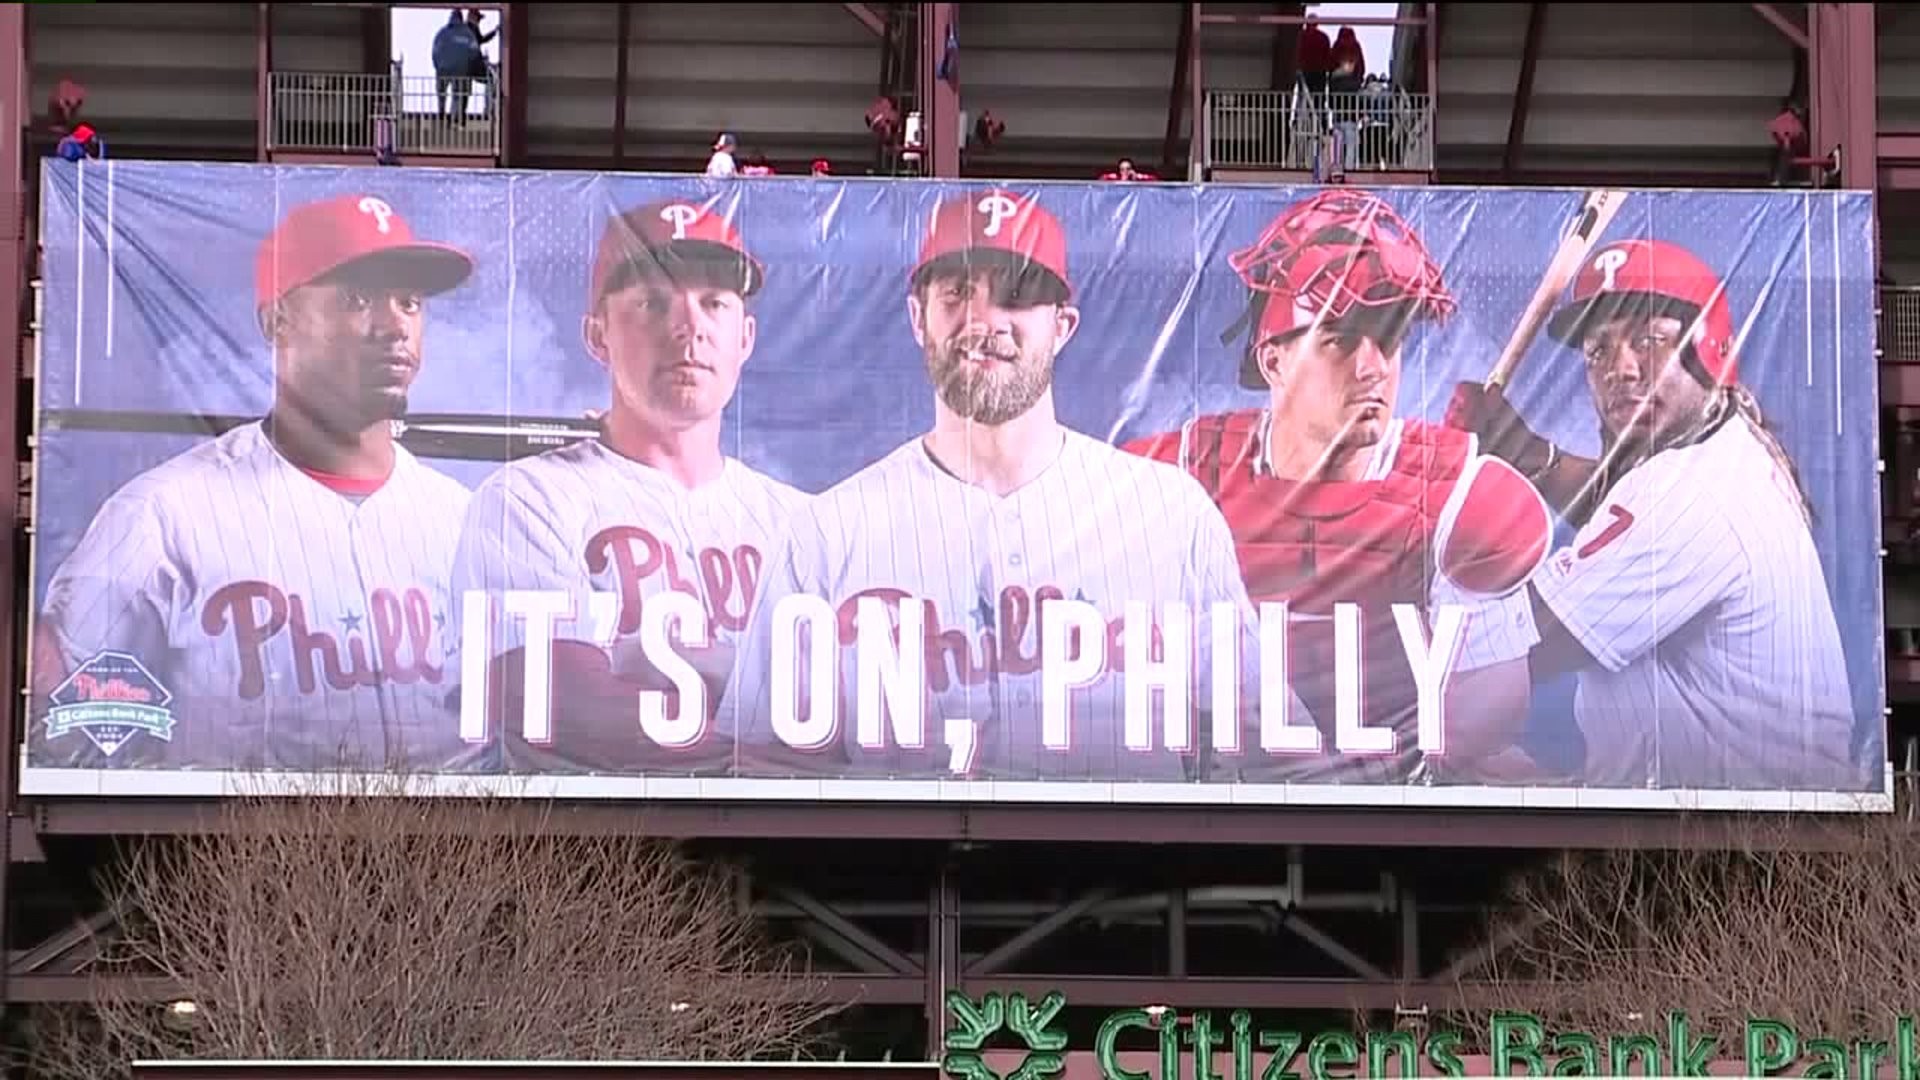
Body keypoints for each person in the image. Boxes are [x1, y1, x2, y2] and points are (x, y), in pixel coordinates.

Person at [718, 189, 1305, 783]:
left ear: (1063, 326)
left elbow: (1267, 738)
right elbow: (761, 766)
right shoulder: (825, 532)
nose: (984, 321)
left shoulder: (1170, 513)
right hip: (899, 873)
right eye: (956, 293)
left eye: (1017, 296)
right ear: (918, 318)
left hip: (1133, 872)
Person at [31, 194, 477, 773]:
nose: (395, 326)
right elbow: (68, 742)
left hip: (457, 855)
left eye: (410, 302)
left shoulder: (464, 520)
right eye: (357, 298)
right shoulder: (161, 515)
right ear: (277, 321)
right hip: (239, 858)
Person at [1123, 189, 1553, 785]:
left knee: (1512, 780)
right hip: (1221, 815)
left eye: (1390, 339)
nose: (1374, 366)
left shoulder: (1462, 494)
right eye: (1341, 340)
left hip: (1391, 820)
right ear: (1273, 362)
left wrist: (1374, 770)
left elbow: (1491, 713)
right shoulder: (1174, 474)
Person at [1445, 238, 1864, 790]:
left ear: (1709, 349)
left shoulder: (1691, 492)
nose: (1620, 367)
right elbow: (1617, 506)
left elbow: (1521, 644)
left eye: (1649, 339)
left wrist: (1384, 631)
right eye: (1598, 350)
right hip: (1739, 821)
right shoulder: (1724, 443)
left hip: (1738, 849)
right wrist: (1521, 448)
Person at [447, 196, 805, 775]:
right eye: (652, 302)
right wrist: (760, 760)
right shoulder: (528, 500)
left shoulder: (799, 522)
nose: (690, 326)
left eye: (714, 302)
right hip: (597, 841)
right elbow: (561, 710)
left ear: (746, 338)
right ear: (597, 334)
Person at [432, 9, 481, 120]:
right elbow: (474, 52)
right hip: (461, 70)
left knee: (441, 92)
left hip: (443, 69)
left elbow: (434, 52)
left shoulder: (442, 33)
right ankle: (453, 118)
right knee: (457, 95)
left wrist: (438, 66)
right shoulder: (467, 33)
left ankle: (441, 113)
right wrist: (469, 67)